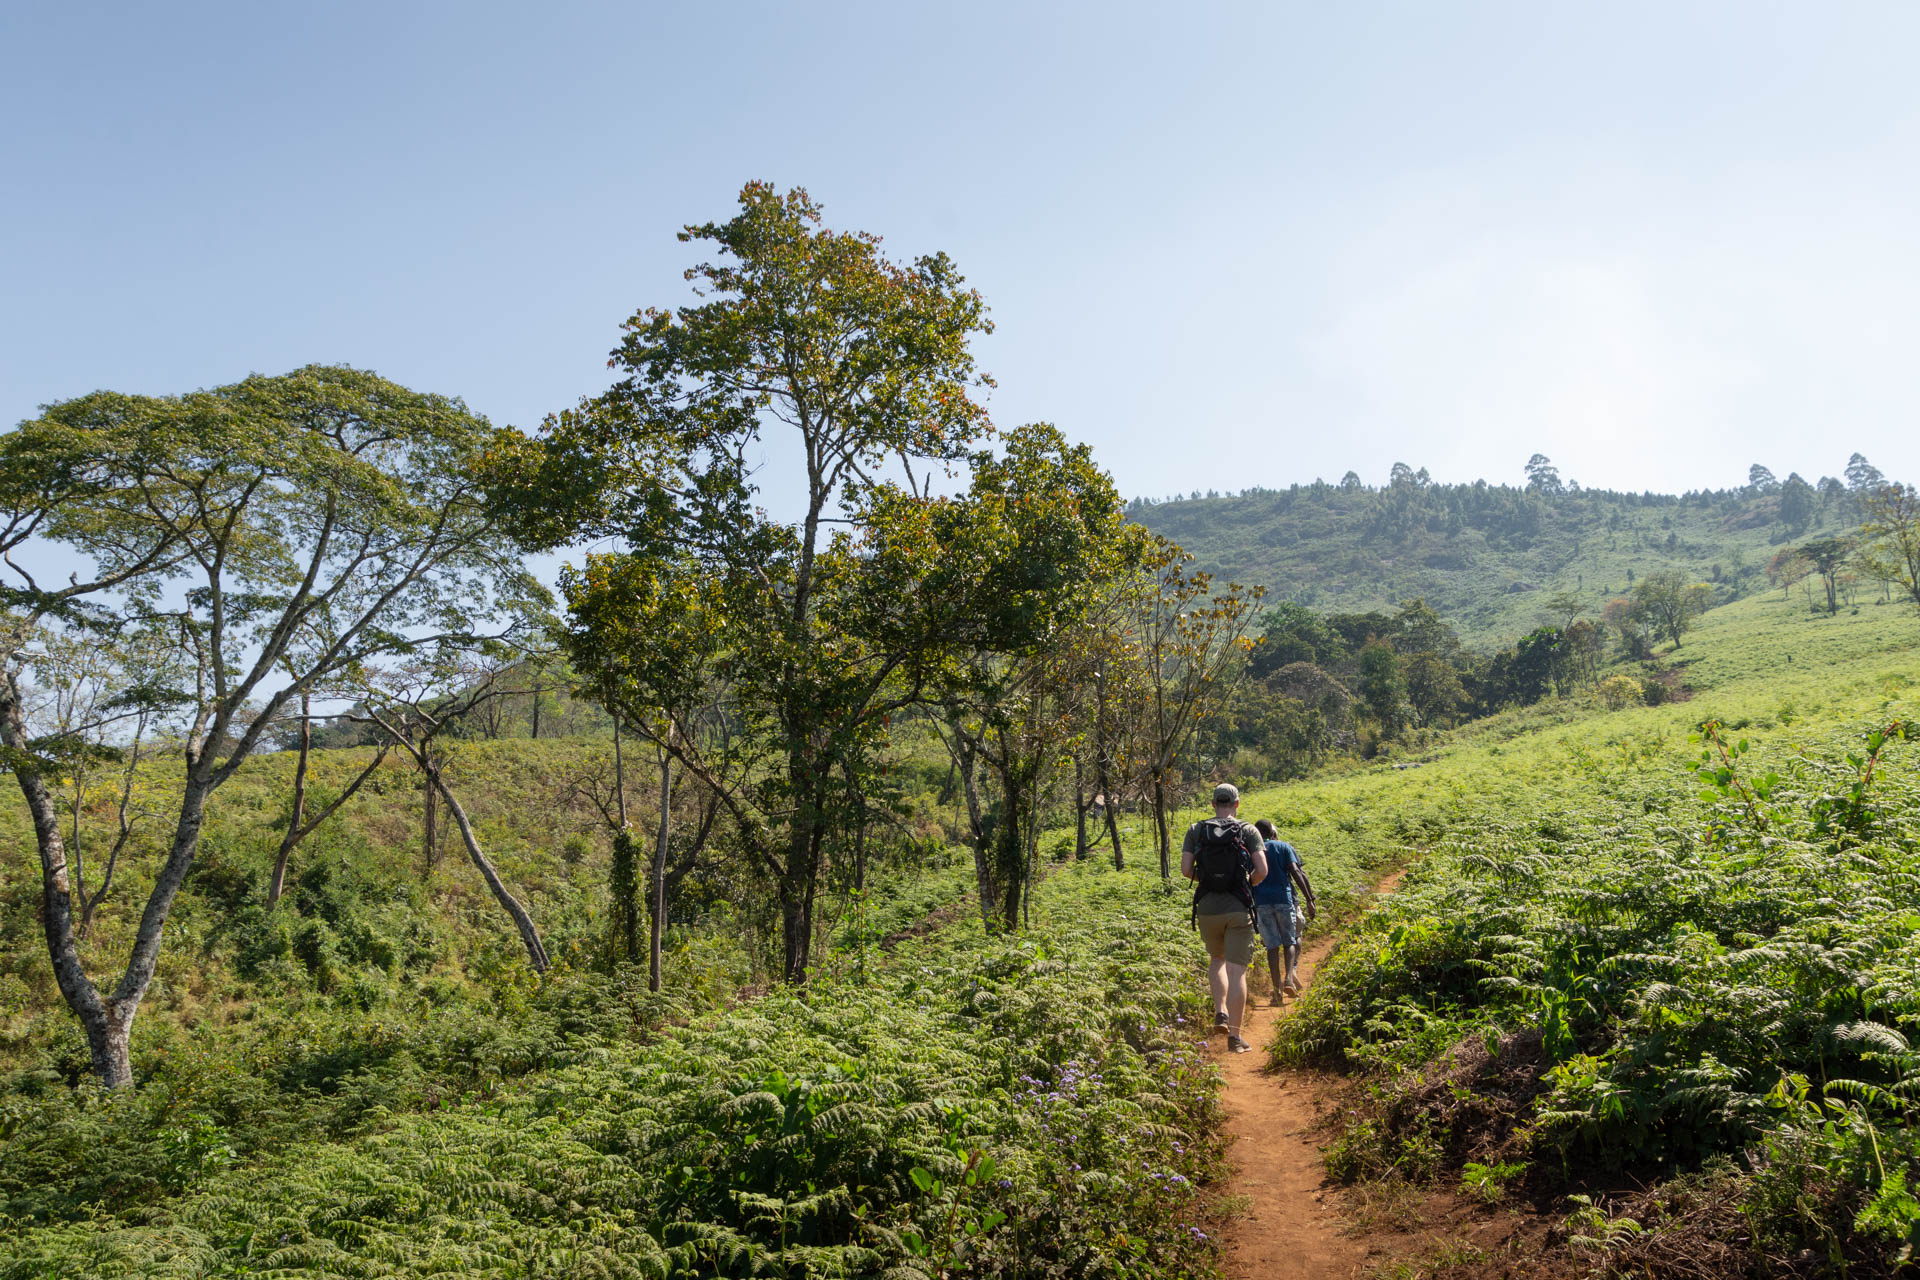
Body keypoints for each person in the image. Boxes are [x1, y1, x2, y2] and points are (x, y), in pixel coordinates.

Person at [1181, 782, 1268, 1053]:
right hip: (1237, 908)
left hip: (1207, 908)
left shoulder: (1197, 830)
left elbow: (1185, 870)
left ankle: (1220, 1012)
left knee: (1217, 960)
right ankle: (1235, 1037)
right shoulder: (1248, 830)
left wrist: (1207, 881)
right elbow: (1262, 870)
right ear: (1237, 804)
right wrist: (1244, 884)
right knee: (1237, 970)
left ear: (1213, 804)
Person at [1252, 818, 1317, 1003]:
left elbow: (1248, 878)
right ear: (1272, 832)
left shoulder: (1252, 851)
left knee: (1272, 946)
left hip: (1262, 902)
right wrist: (1309, 899)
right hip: (1284, 899)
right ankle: (1289, 979)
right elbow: (1296, 872)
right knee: (1289, 941)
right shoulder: (1283, 846)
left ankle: (1276, 991)